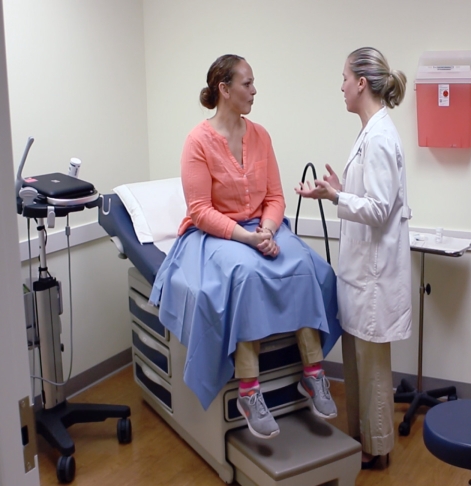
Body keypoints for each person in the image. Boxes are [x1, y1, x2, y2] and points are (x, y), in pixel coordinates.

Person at [150, 54, 338, 440]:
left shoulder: (261, 135)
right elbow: (200, 211)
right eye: (247, 84)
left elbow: (275, 196)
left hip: (261, 226)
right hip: (214, 234)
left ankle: (313, 374)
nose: (254, 91)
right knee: (247, 273)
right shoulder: (197, 142)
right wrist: (247, 238)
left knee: (304, 264)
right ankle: (249, 392)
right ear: (224, 89)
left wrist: (267, 230)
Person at [295, 47, 411, 469]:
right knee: (359, 366)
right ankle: (362, 441)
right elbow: (373, 199)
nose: (341, 86)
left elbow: (379, 209)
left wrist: (337, 196)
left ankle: (376, 450)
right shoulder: (371, 132)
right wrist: (342, 189)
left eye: (344, 78)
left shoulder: (379, 136)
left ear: (362, 83)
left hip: (375, 278)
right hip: (363, 275)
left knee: (373, 369)